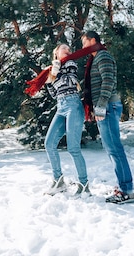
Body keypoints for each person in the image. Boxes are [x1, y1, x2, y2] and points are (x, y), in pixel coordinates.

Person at [81, 30, 134, 204]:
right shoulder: (97, 58)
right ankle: (124, 187)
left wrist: (101, 105)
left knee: (115, 149)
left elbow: (108, 81)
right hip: (106, 107)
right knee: (112, 149)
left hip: (108, 107)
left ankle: (127, 191)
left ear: (93, 40)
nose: (83, 47)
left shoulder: (103, 56)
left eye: (84, 43)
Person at [42, 43, 91, 197]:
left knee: (73, 148)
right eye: (64, 48)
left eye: (70, 48)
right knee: (49, 144)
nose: (68, 49)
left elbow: (69, 82)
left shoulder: (70, 63)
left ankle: (84, 185)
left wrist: (55, 76)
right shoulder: (52, 69)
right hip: (61, 106)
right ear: (56, 52)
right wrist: (51, 78)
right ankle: (59, 181)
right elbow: (53, 94)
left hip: (73, 105)